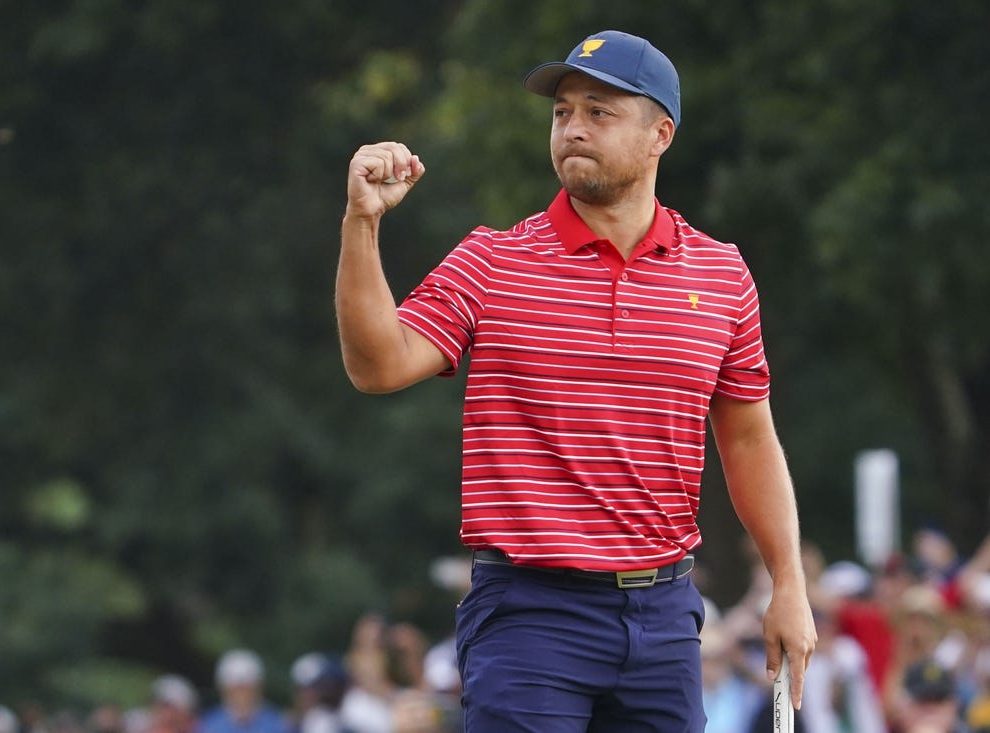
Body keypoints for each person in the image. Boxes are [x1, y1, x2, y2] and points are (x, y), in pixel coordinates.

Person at [335, 28, 816, 731]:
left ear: (661, 134)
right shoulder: (494, 260)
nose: (572, 128)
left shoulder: (721, 275)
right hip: (530, 615)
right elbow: (376, 365)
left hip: (665, 617)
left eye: (599, 111)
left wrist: (789, 585)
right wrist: (361, 226)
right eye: (562, 112)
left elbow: (748, 440)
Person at [200, 650, 289, 733]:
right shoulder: (207, 726)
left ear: (259, 688)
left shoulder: (279, 724)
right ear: (223, 690)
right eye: (236, 689)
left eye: (247, 688)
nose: (242, 696)